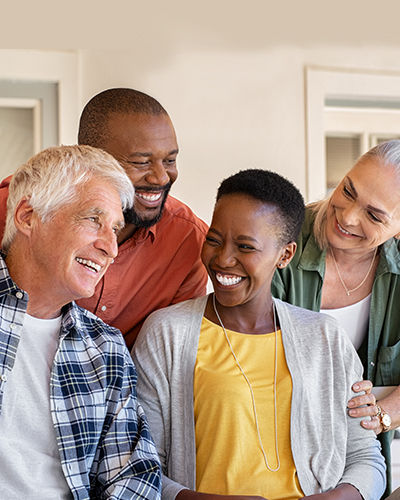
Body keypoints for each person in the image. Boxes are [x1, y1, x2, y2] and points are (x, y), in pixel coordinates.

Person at [132, 168, 386, 500]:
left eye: (246, 247)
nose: (223, 259)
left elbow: (366, 457)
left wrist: (337, 497)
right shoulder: (167, 333)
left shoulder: (325, 338)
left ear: (285, 255)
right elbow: (141, 466)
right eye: (214, 239)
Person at [0, 145, 161, 499]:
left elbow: (134, 476)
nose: (111, 247)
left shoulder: (105, 346)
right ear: (28, 216)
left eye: (115, 229)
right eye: (93, 219)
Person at [0, 88, 208, 349]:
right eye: (141, 162)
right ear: (94, 157)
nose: (161, 178)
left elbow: (174, 351)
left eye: (169, 160)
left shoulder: (188, 239)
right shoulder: (18, 206)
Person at [271, 140, 400, 497]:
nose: (346, 216)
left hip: (363, 463)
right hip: (274, 453)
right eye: (348, 190)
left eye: (374, 215)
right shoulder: (282, 235)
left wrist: (384, 413)